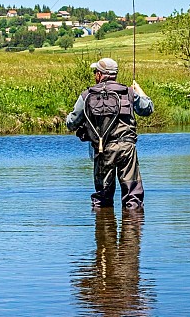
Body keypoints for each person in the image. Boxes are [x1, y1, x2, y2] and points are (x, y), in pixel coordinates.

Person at [66, 57, 154, 210]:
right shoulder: (129, 93)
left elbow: (71, 123)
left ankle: (103, 228)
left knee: (102, 197)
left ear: (100, 75)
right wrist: (139, 90)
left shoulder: (87, 95)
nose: (95, 75)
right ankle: (132, 229)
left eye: (95, 72)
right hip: (127, 149)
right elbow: (148, 109)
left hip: (102, 150)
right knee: (133, 197)